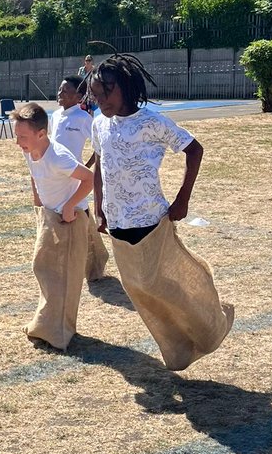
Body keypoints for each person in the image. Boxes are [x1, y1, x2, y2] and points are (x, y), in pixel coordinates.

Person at [89, 55, 233, 370]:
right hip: (117, 221)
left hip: (150, 219)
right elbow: (99, 162)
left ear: (125, 87)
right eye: (96, 96)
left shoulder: (152, 122)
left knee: (153, 283)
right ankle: (178, 347)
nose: (101, 102)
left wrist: (183, 199)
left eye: (106, 94)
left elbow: (194, 149)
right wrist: (98, 207)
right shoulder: (99, 123)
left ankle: (211, 323)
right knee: (137, 287)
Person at [10, 101, 94, 351]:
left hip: (71, 220)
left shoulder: (58, 157)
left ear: (41, 134)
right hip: (50, 216)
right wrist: (38, 203)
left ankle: (60, 332)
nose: (18, 143)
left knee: (66, 276)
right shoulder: (29, 150)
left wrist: (69, 206)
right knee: (43, 267)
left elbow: (89, 179)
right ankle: (45, 324)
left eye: (22, 137)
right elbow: (34, 175)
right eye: (17, 136)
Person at [51, 76, 108, 281]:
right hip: (57, 177)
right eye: (60, 89)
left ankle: (95, 265)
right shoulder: (55, 116)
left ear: (78, 96)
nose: (60, 93)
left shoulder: (83, 118)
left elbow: (99, 145)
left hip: (76, 178)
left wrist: (87, 166)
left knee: (81, 217)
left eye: (66, 91)